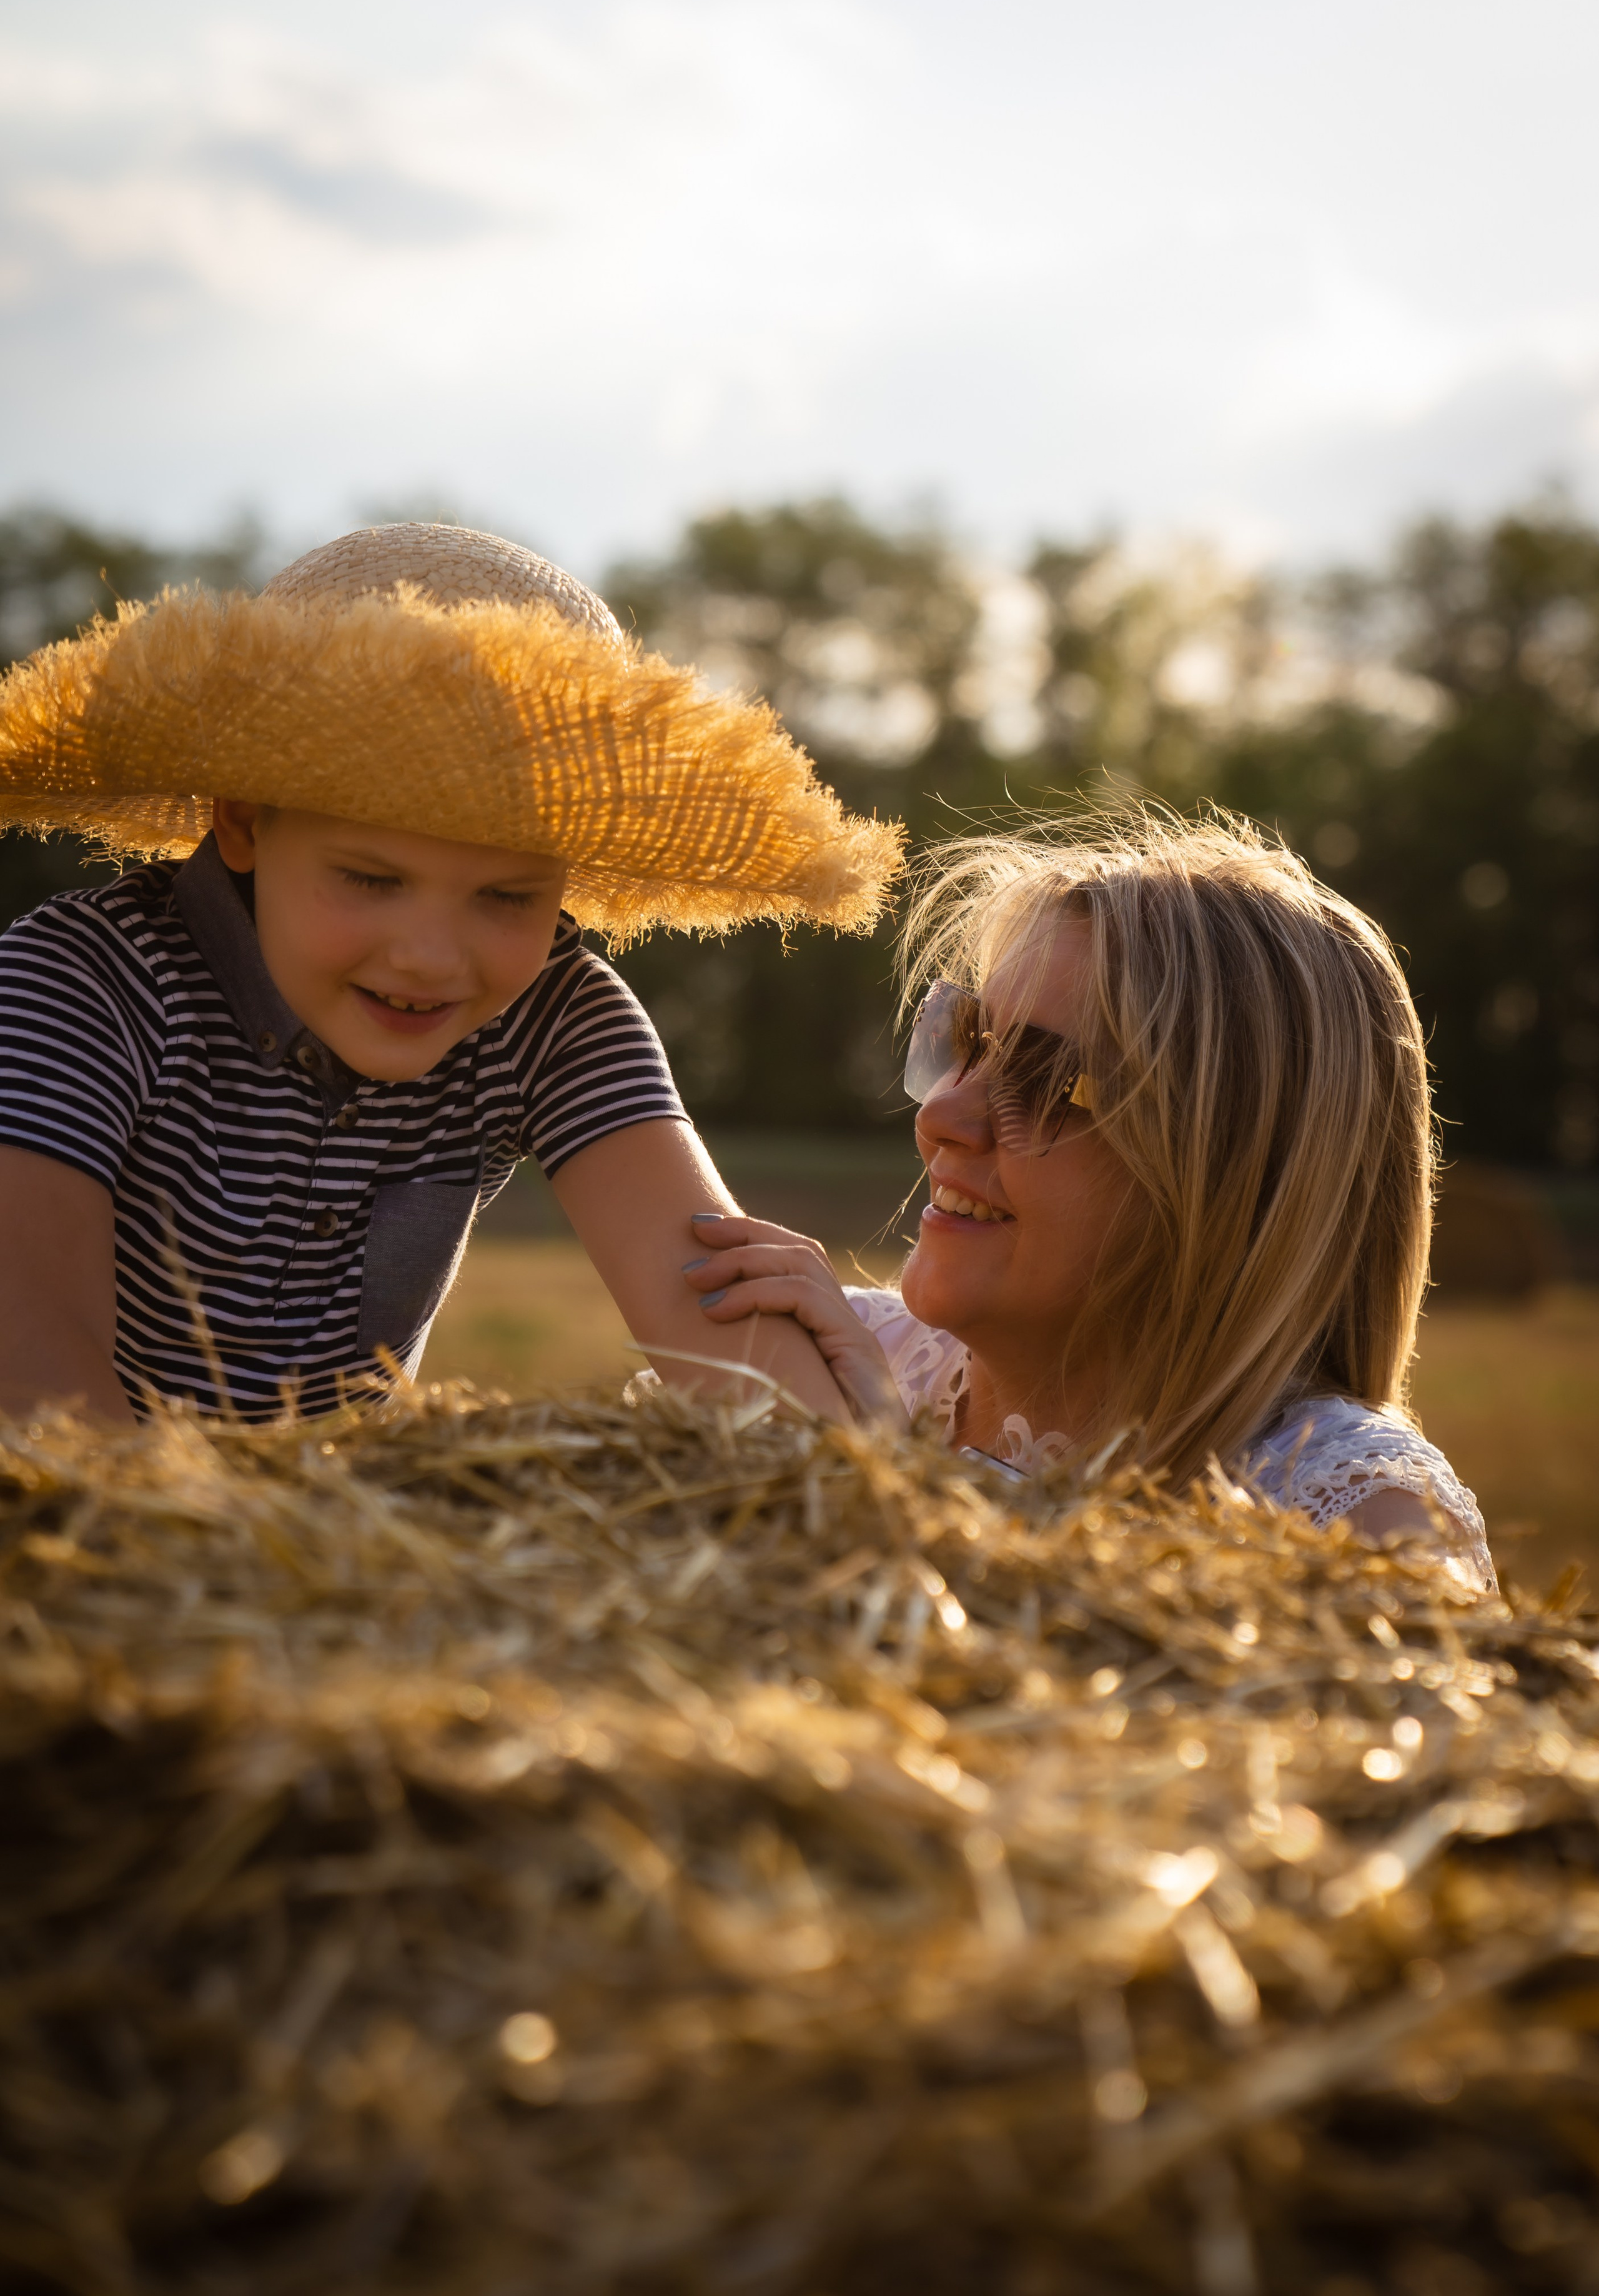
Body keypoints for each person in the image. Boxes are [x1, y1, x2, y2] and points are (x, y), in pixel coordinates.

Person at [0, 523, 899, 1426]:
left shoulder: (550, 1012)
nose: (431, 957)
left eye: (508, 897)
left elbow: (733, 1348)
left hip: (340, 1542)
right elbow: (35, 1378)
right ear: (243, 822)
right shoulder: (79, 984)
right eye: (371, 879)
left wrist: (847, 1455)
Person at [684, 811, 1495, 1590]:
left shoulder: (1362, 1524)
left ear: (1231, 1172)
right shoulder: (844, 1355)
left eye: (1042, 1080)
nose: (939, 1118)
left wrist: (894, 1490)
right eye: (964, 1039)